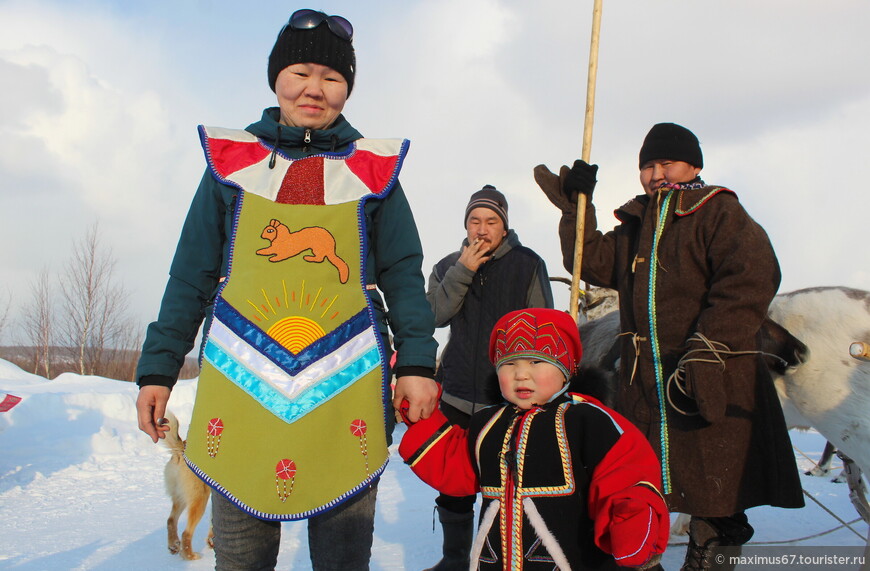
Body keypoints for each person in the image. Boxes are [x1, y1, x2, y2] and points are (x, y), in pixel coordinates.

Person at [134, 9, 439, 570]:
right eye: (301, 72)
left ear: (347, 88)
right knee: (242, 558)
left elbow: (403, 272)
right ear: (276, 78)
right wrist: (157, 369)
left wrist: (417, 361)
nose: (315, 89)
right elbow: (191, 274)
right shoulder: (231, 166)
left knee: (343, 558)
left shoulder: (374, 173)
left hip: (345, 387)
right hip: (241, 388)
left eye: (332, 77)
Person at [534, 123, 804, 570]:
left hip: (710, 374)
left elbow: (752, 277)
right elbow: (593, 262)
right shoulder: (637, 224)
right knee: (639, 490)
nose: (657, 173)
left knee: (716, 497)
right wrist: (577, 210)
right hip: (645, 386)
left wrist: (710, 345)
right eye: (648, 166)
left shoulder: (719, 212)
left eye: (667, 163)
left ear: (693, 166)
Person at [399, 308, 670, 570]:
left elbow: (626, 470)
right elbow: (456, 464)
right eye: (509, 364)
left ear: (566, 370)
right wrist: (423, 417)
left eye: (537, 362)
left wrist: (630, 517)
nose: (521, 374)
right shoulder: (487, 423)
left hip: (576, 557)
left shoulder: (589, 420)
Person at [425, 185, 553, 569]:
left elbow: (542, 327)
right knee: (455, 485)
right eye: (474, 221)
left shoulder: (527, 263)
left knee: (502, 488)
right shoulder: (448, 266)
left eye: (491, 221)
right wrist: (464, 270)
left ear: (505, 226)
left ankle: (493, 560)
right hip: (458, 394)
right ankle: (453, 560)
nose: (482, 229)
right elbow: (433, 316)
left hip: (507, 397)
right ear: (465, 225)